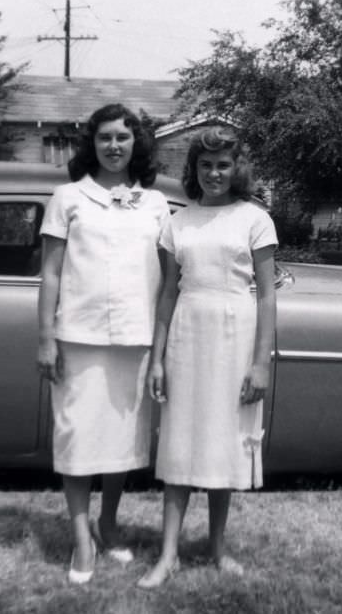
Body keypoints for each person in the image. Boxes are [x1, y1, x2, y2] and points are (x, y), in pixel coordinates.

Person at [137, 128, 277, 588]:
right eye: (205, 165)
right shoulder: (178, 222)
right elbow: (166, 294)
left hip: (236, 334)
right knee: (180, 442)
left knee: (223, 444)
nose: (214, 173)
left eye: (223, 164)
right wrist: (157, 360)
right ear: (193, 170)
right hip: (187, 335)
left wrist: (261, 364)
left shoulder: (254, 218)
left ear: (237, 169)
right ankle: (169, 554)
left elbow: (268, 298)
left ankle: (217, 548)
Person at [37, 103, 169, 585]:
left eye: (124, 137)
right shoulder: (67, 197)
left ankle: (108, 523)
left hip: (134, 338)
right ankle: (81, 542)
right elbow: (50, 273)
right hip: (78, 337)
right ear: (92, 143)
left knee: (119, 442)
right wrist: (45, 339)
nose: (115, 146)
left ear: (137, 144)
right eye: (106, 137)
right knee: (77, 438)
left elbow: (169, 276)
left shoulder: (153, 204)